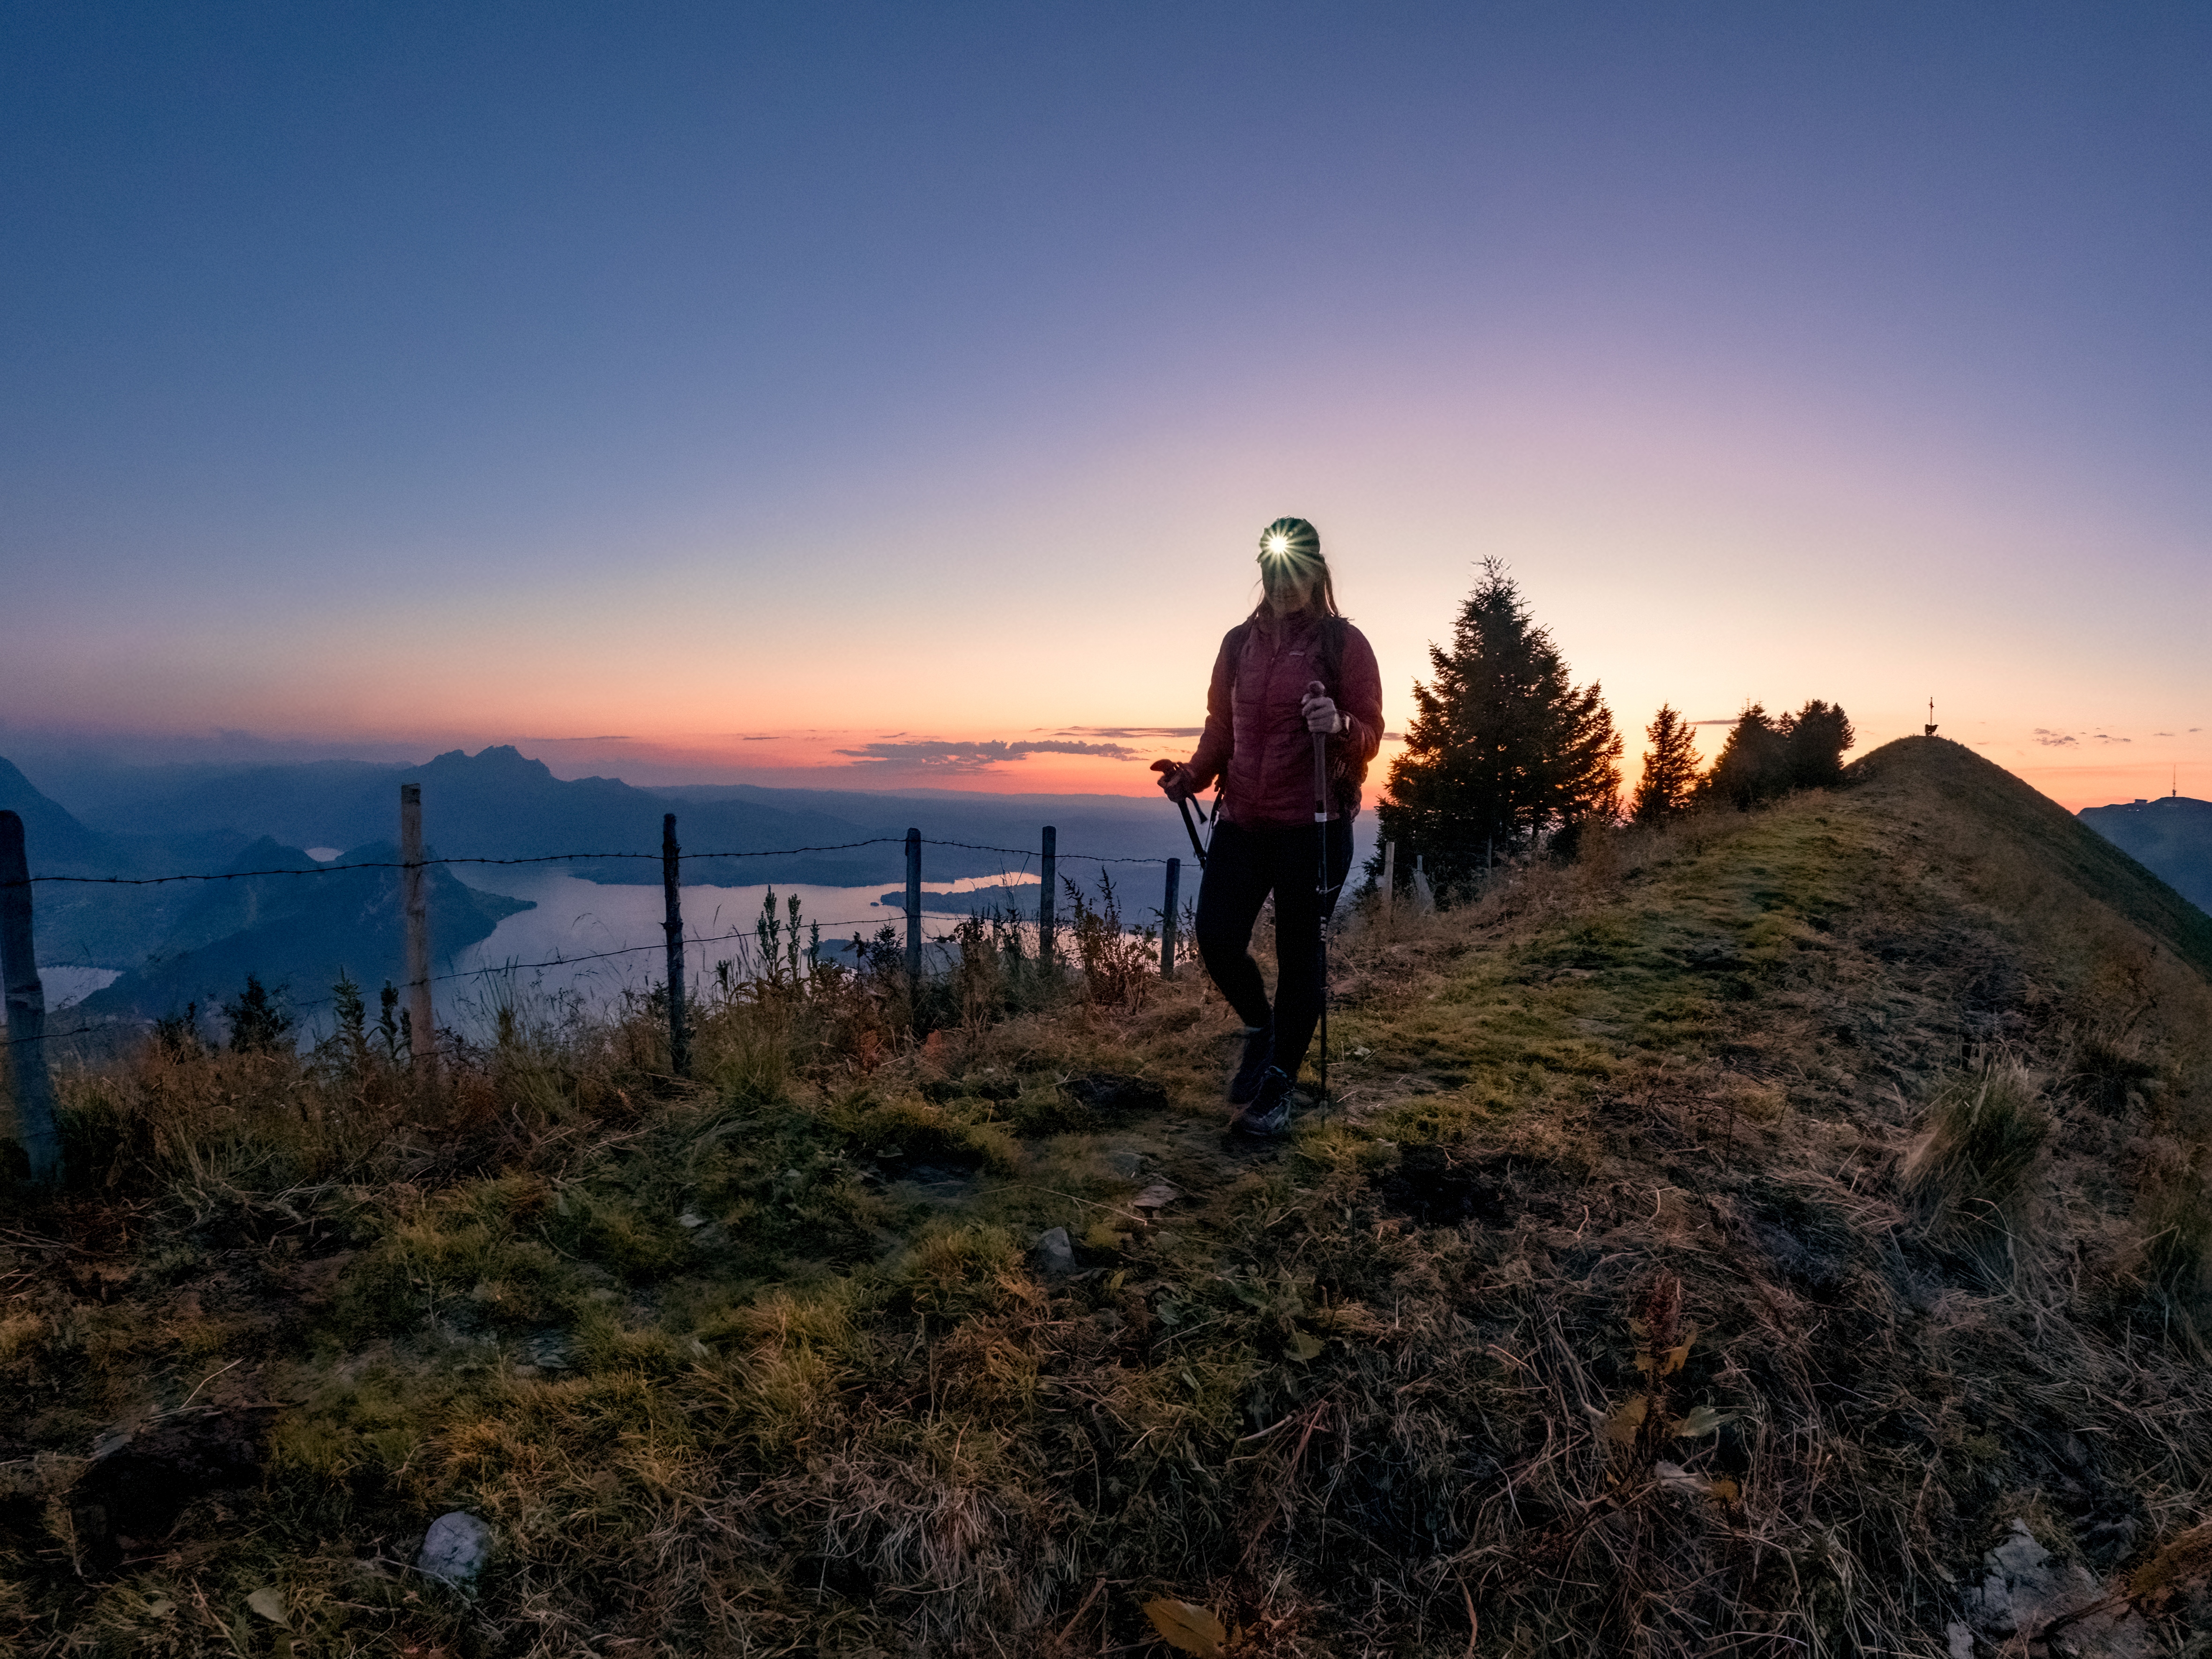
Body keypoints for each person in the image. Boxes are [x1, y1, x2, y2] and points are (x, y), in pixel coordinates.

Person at [1155, 518, 1384, 1135]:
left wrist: (1336, 722)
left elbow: (1369, 736)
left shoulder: (1343, 644)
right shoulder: (1237, 643)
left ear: (1315, 572)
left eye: (1295, 571)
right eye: (1273, 571)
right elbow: (1220, 726)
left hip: (1313, 823)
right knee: (1216, 936)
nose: (1283, 584)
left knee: (1298, 954)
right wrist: (1193, 775)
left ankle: (1277, 1086)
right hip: (1243, 818)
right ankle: (1261, 1031)